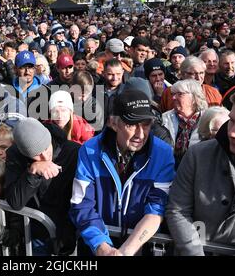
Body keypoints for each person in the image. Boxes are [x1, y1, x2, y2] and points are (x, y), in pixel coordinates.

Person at [166, 84, 235, 256]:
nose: (232, 132)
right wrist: (194, 252)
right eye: (232, 120)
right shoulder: (199, 154)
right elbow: (178, 210)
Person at [69, 90, 175, 256]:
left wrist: (126, 251)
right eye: (131, 125)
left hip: (140, 247)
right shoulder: (89, 150)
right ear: (113, 123)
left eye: (146, 124)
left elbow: (157, 208)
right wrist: (102, 247)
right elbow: (82, 204)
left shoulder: (163, 154)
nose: (140, 134)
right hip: (95, 248)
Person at [5, 118, 80, 255]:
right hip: (35, 234)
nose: (45, 156)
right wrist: (32, 172)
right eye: (37, 154)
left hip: (67, 234)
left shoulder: (73, 151)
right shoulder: (15, 155)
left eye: (46, 147)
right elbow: (15, 201)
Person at [162, 79, 207, 167]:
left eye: (180, 94)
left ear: (194, 98)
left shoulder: (208, 119)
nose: (173, 98)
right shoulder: (164, 119)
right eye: (173, 94)